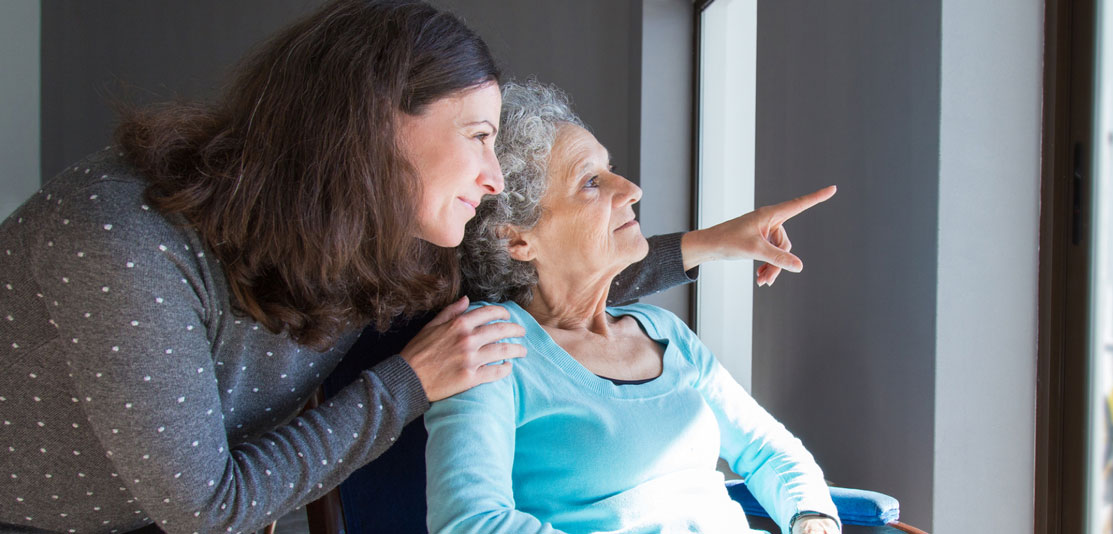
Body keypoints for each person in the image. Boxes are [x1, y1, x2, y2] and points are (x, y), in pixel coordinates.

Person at [0, 2, 824, 533]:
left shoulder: (377, 243)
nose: (495, 179)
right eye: (476, 136)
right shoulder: (115, 242)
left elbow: (533, 288)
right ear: (373, 125)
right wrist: (407, 382)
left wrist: (707, 247)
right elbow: (207, 504)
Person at [424, 81, 840, 534]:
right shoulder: (488, 347)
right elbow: (471, 523)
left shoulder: (663, 331)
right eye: (590, 183)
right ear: (517, 238)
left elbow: (767, 449)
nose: (631, 189)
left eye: (612, 169)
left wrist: (812, 516)